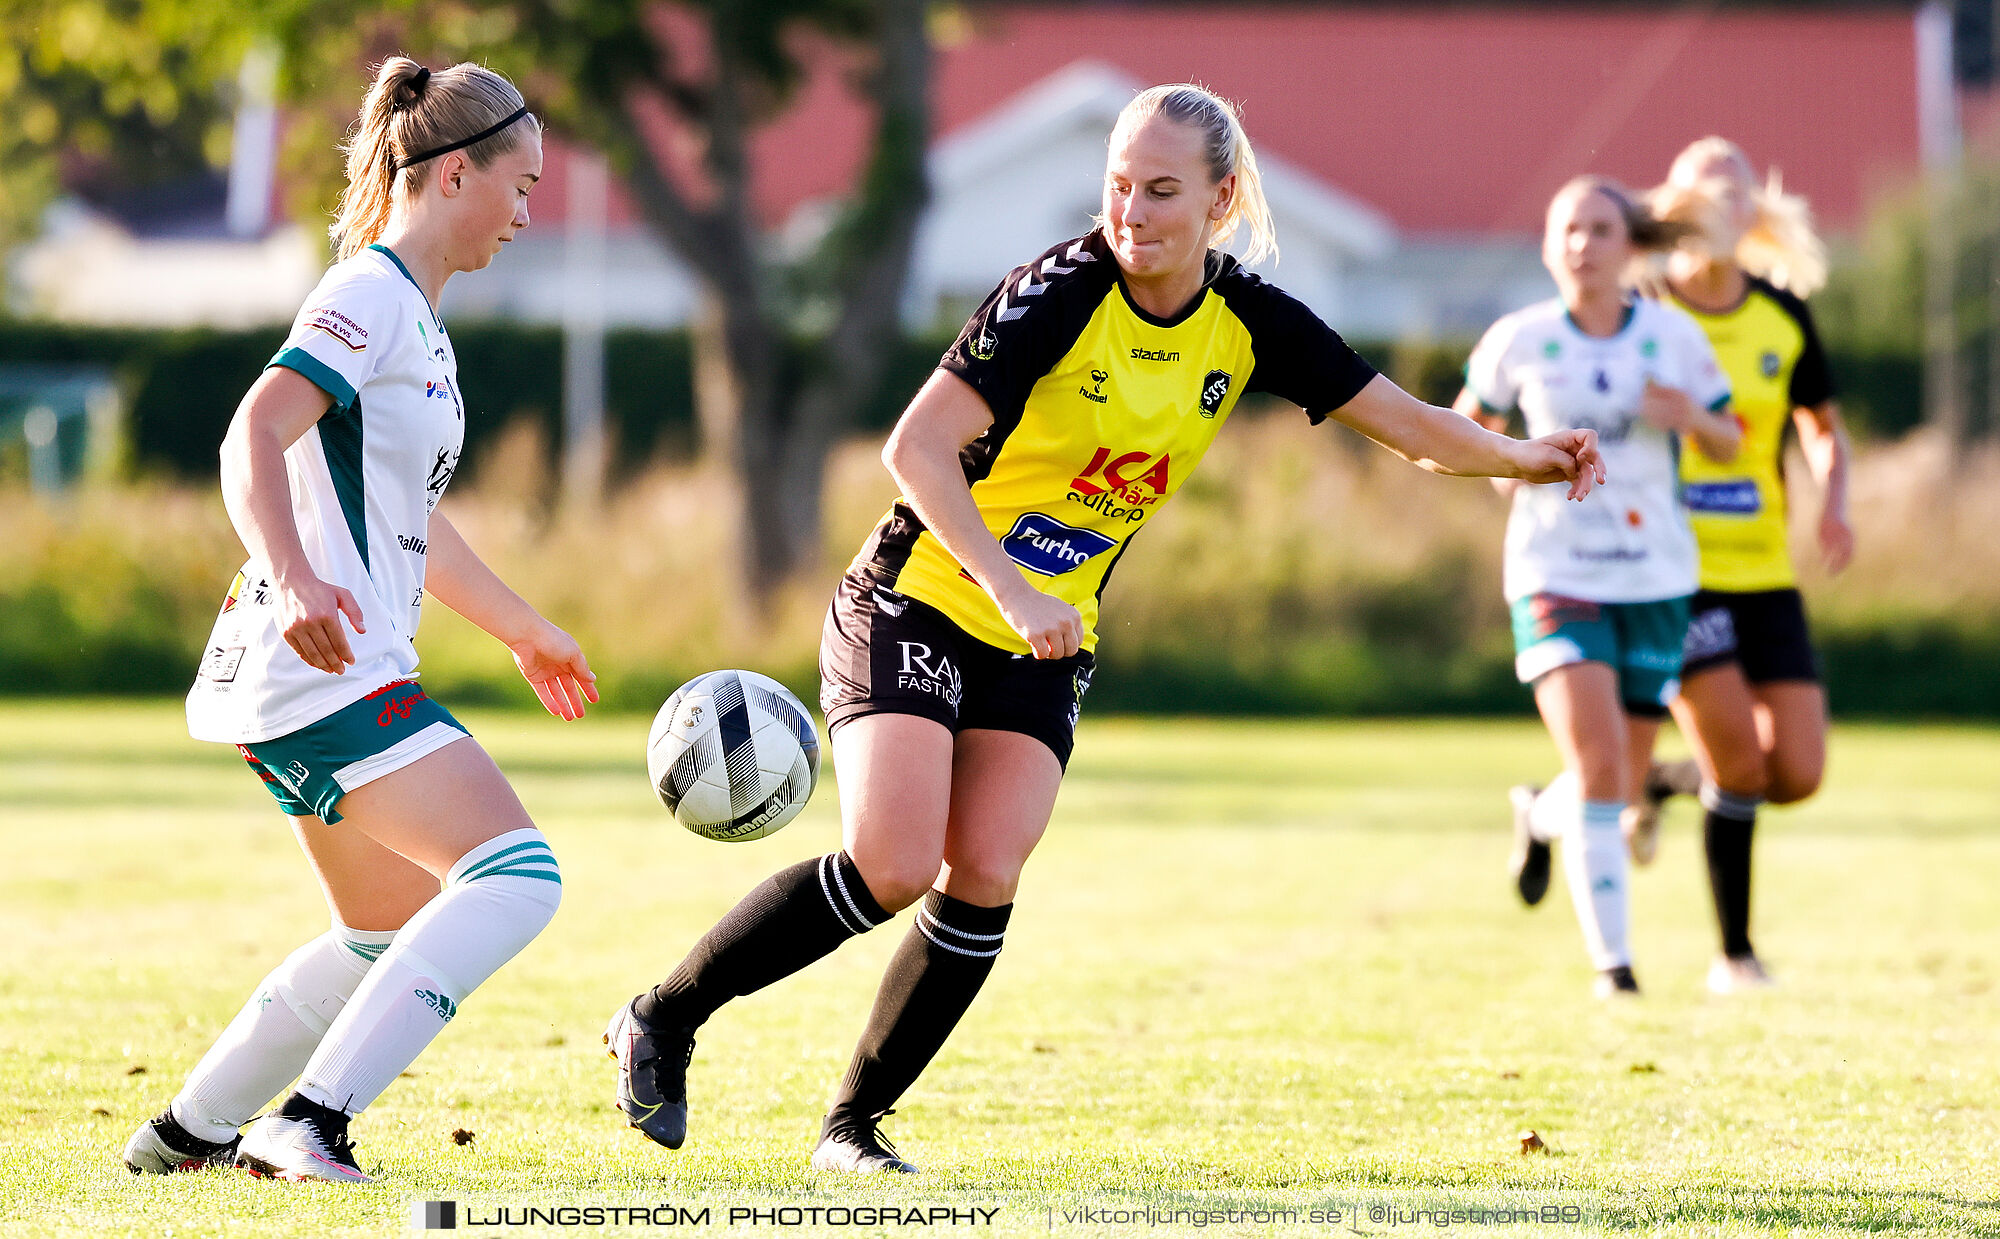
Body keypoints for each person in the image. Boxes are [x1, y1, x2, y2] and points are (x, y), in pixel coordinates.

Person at [605, 82, 1605, 1173]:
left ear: (1220, 200)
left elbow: (1407, 426)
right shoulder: (1057, 293)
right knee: (893, 859)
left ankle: (851, 1126)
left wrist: (1523, 457)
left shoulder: (1249, 322)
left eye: (1161, 190)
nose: (1129, 211)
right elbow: (914, 450)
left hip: (1041, 635)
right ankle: (663, 1017)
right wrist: (1009, 590)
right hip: (918, 594)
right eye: (1118, 185)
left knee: (985, 864)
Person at [123, 58, 596, 1183]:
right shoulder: (367, 295)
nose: (526, 215)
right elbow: (252, 435)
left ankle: (184, 1134)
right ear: (447, 176)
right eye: (518, 187)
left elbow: (414, 529)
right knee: (516, 874)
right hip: (321, 666)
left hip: (306, 671)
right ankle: (312, 1123)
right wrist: (293, 579)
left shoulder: (417, 323)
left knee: (380, 929)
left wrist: (523, 627)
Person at [1458, 177, 1740, 998]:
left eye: (1601, 228)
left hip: (1656, 577)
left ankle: (1539, 814)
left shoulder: (1675, 338)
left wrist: (1691, 415)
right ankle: (1615, 969)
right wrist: (1505, 467)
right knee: (1601, 761)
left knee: (1611, 785)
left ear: (1630, 247)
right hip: (1556, 573)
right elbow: (1463, 424)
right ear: (1550, 247)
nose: (1584, 243)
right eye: (1569, 228)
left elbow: (1730, 440)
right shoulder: (1521, 337)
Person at [1628, 137, 1853, 993]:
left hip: (1767, 573)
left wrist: (1834, 502)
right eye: (1704, 193)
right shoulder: (1644, 304)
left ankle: (1650, 779)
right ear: (1677, 206)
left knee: (1795, 772)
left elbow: (1823, 426)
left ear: (1752, 212)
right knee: (1741, 770)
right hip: (1674, 573)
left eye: (1736, 194)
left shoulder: (1782, 314)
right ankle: (1735, 956)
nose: (1721, 208)